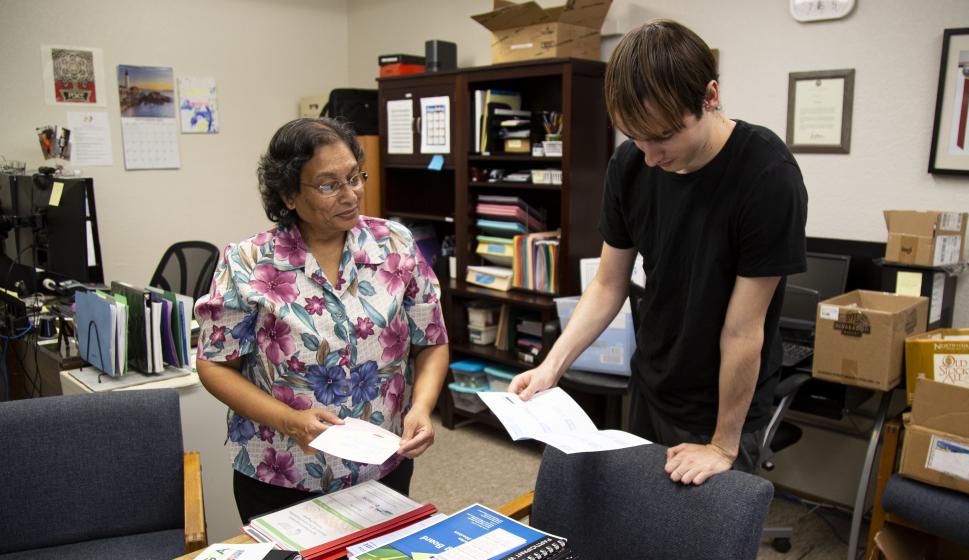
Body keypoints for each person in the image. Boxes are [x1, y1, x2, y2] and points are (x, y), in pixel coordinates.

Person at [510, 20, 808, 486]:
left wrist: (722, 445)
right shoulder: (630, 166)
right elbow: (608, 285)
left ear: (709, 96)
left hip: (725, 404)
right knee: (641, 525)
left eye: (663, 137)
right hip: (653, 381)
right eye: (636, 137)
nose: (650, 155)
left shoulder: (767, 176)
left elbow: (742, 330)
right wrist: (551, 366)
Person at [195, 117, 449, 522]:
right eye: (329, 185)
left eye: (355, 177)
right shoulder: (247, 262)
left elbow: (431, 338)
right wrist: (290, 421)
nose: (351, 195)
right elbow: (213, 364)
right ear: (289, 195)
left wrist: (421, 407)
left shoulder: (395, 243)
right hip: (280, 469)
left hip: (382, 465)